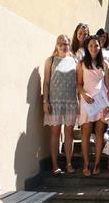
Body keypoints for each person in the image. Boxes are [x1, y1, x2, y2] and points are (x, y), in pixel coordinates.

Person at [43, 34, 78, 174]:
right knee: (55, 133)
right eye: (61, 44)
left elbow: (78, 82)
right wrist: (45, 101)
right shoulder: (50, 61)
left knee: (69, 133)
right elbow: (45, 83)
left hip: (70, 102)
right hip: (54, 102)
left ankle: (69, 164)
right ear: (57, 45)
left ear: (69, 45)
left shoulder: (74, 61)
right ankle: (55, 165)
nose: (64, 46)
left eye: (66, 44)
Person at [77, 35, 109, 176]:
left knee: (99, 133)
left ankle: (97, 164)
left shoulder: (105, 64)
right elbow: (78, 84)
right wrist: (84, 94)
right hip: (87, 102)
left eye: (96, 45)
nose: (93, 48)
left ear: (100, 47)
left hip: (102, 102)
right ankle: (86, 164)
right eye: (91, 45)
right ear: (87, 47)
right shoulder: (81, 64)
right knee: (85, 134)